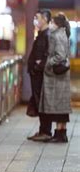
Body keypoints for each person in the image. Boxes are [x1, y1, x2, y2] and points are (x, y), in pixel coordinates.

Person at [39, 13, 72, 143]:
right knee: (62, 106)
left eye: (52, 22)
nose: (50, 24)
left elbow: (60, 56)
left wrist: (48, 63)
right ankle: (61, 132)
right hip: (62, 76)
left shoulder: (56, 36)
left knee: (58, 106)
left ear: (56, 24)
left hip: (56, 76)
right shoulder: (64, 34)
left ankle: (59, 134)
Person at [27, 9, 52, 141]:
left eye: (38, 17)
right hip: (37, 74)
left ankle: (46, 131)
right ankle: (43, 130)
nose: (35, 20)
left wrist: (38, 66)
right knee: (40, 102)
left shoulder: (47, 35)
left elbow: (47, 55)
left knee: (43, 102)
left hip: (41, 75)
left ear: (45, 19)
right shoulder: (42, 34)